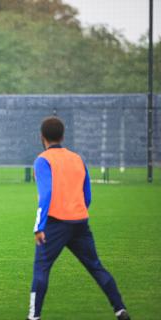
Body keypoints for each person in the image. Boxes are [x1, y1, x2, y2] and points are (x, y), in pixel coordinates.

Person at [27, 116, 130, 320]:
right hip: (80, 222)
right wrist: (77, 212)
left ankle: (33, 317)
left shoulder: (42, 160)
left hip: (55, 224)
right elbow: (87, 194)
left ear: (42, 137)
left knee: (41, 269)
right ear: (62, 136)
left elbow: (46, 194)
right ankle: (120, 309)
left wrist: (39, 226)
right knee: (95, 266)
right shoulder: (77, 158)